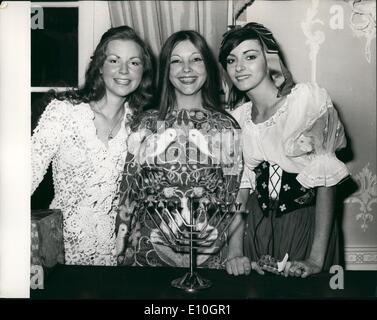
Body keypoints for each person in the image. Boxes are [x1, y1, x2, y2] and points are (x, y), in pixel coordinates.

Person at [218, 22, 349, 277]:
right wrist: (234, 251)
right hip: (256, 230)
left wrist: (315, 258)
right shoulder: (236, 119)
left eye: (250, 56)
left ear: (269, 59)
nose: (239, 67)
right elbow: (240, 192)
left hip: (305, 226)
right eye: (231, 60)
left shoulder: (306, 101)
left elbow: (326, 181)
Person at [115, 30, 243, 269]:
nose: (186, 69)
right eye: (176, 61)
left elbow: (233, 199)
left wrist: (233, 255)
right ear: (166, 69)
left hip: (208, 261)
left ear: (207, 66)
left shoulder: (227, 127)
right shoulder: (145, 124)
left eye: (195, 59)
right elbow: (128, 197)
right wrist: (121, 256)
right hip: (146, 260)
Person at [31, 26, 155, 266]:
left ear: (143, 73)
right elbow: (22, 181)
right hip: (61, 259)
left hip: (119, 263)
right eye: (114, 60)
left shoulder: (142, 127)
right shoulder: (63, 113)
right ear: (100, 65)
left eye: (134, 63)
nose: (123, 71)